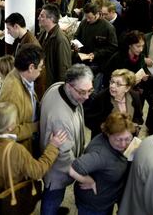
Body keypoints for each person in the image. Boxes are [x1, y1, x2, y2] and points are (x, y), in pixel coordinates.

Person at [0, 102, 67, 214]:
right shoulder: (16, 150)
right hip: (7, 202)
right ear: (10, 127)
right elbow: (37, 172)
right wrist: (53, 146)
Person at [40, 64, 94, 214]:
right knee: (52, 196)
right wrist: (82, 177)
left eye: (90, 90)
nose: (87, 96)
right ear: (69, 86)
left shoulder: (57, 86)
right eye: (82, 92)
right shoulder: (61, 118)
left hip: (54, 166)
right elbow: (64, 157)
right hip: (56, 172)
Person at [70, 112, 136, 215]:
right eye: (118, 139)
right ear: (108, 134)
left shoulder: (113, 143)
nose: (123, 144)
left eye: (127, 139)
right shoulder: (100, 155)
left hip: (107, 200)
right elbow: (72, 168)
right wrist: (89, 181)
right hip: (94, 207)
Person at [0, 44, 44, 153]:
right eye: (41, 67)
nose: (41, 70)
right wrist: (36, 127)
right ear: (31, 68)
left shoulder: (24, 78)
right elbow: (8, 132)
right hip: (21, 150)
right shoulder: (12, 92)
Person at [73, 3, 118, 87]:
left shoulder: (108, 27)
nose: (88, 20)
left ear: (97, 14)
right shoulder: (84, 23)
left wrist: (96, 54)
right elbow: (76, 36)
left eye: (90, 17)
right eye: (86, 17)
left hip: (97, 64)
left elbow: (113, 47)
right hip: (81, 59)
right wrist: (76, 45)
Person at [38, 3, 72, 87]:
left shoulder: (61, 40)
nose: (38, 18)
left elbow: (63, 69)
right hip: (43, 82)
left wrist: (59, 90)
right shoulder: (43, 33)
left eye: (42, 16)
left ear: (52, 19)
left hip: (52, 85)